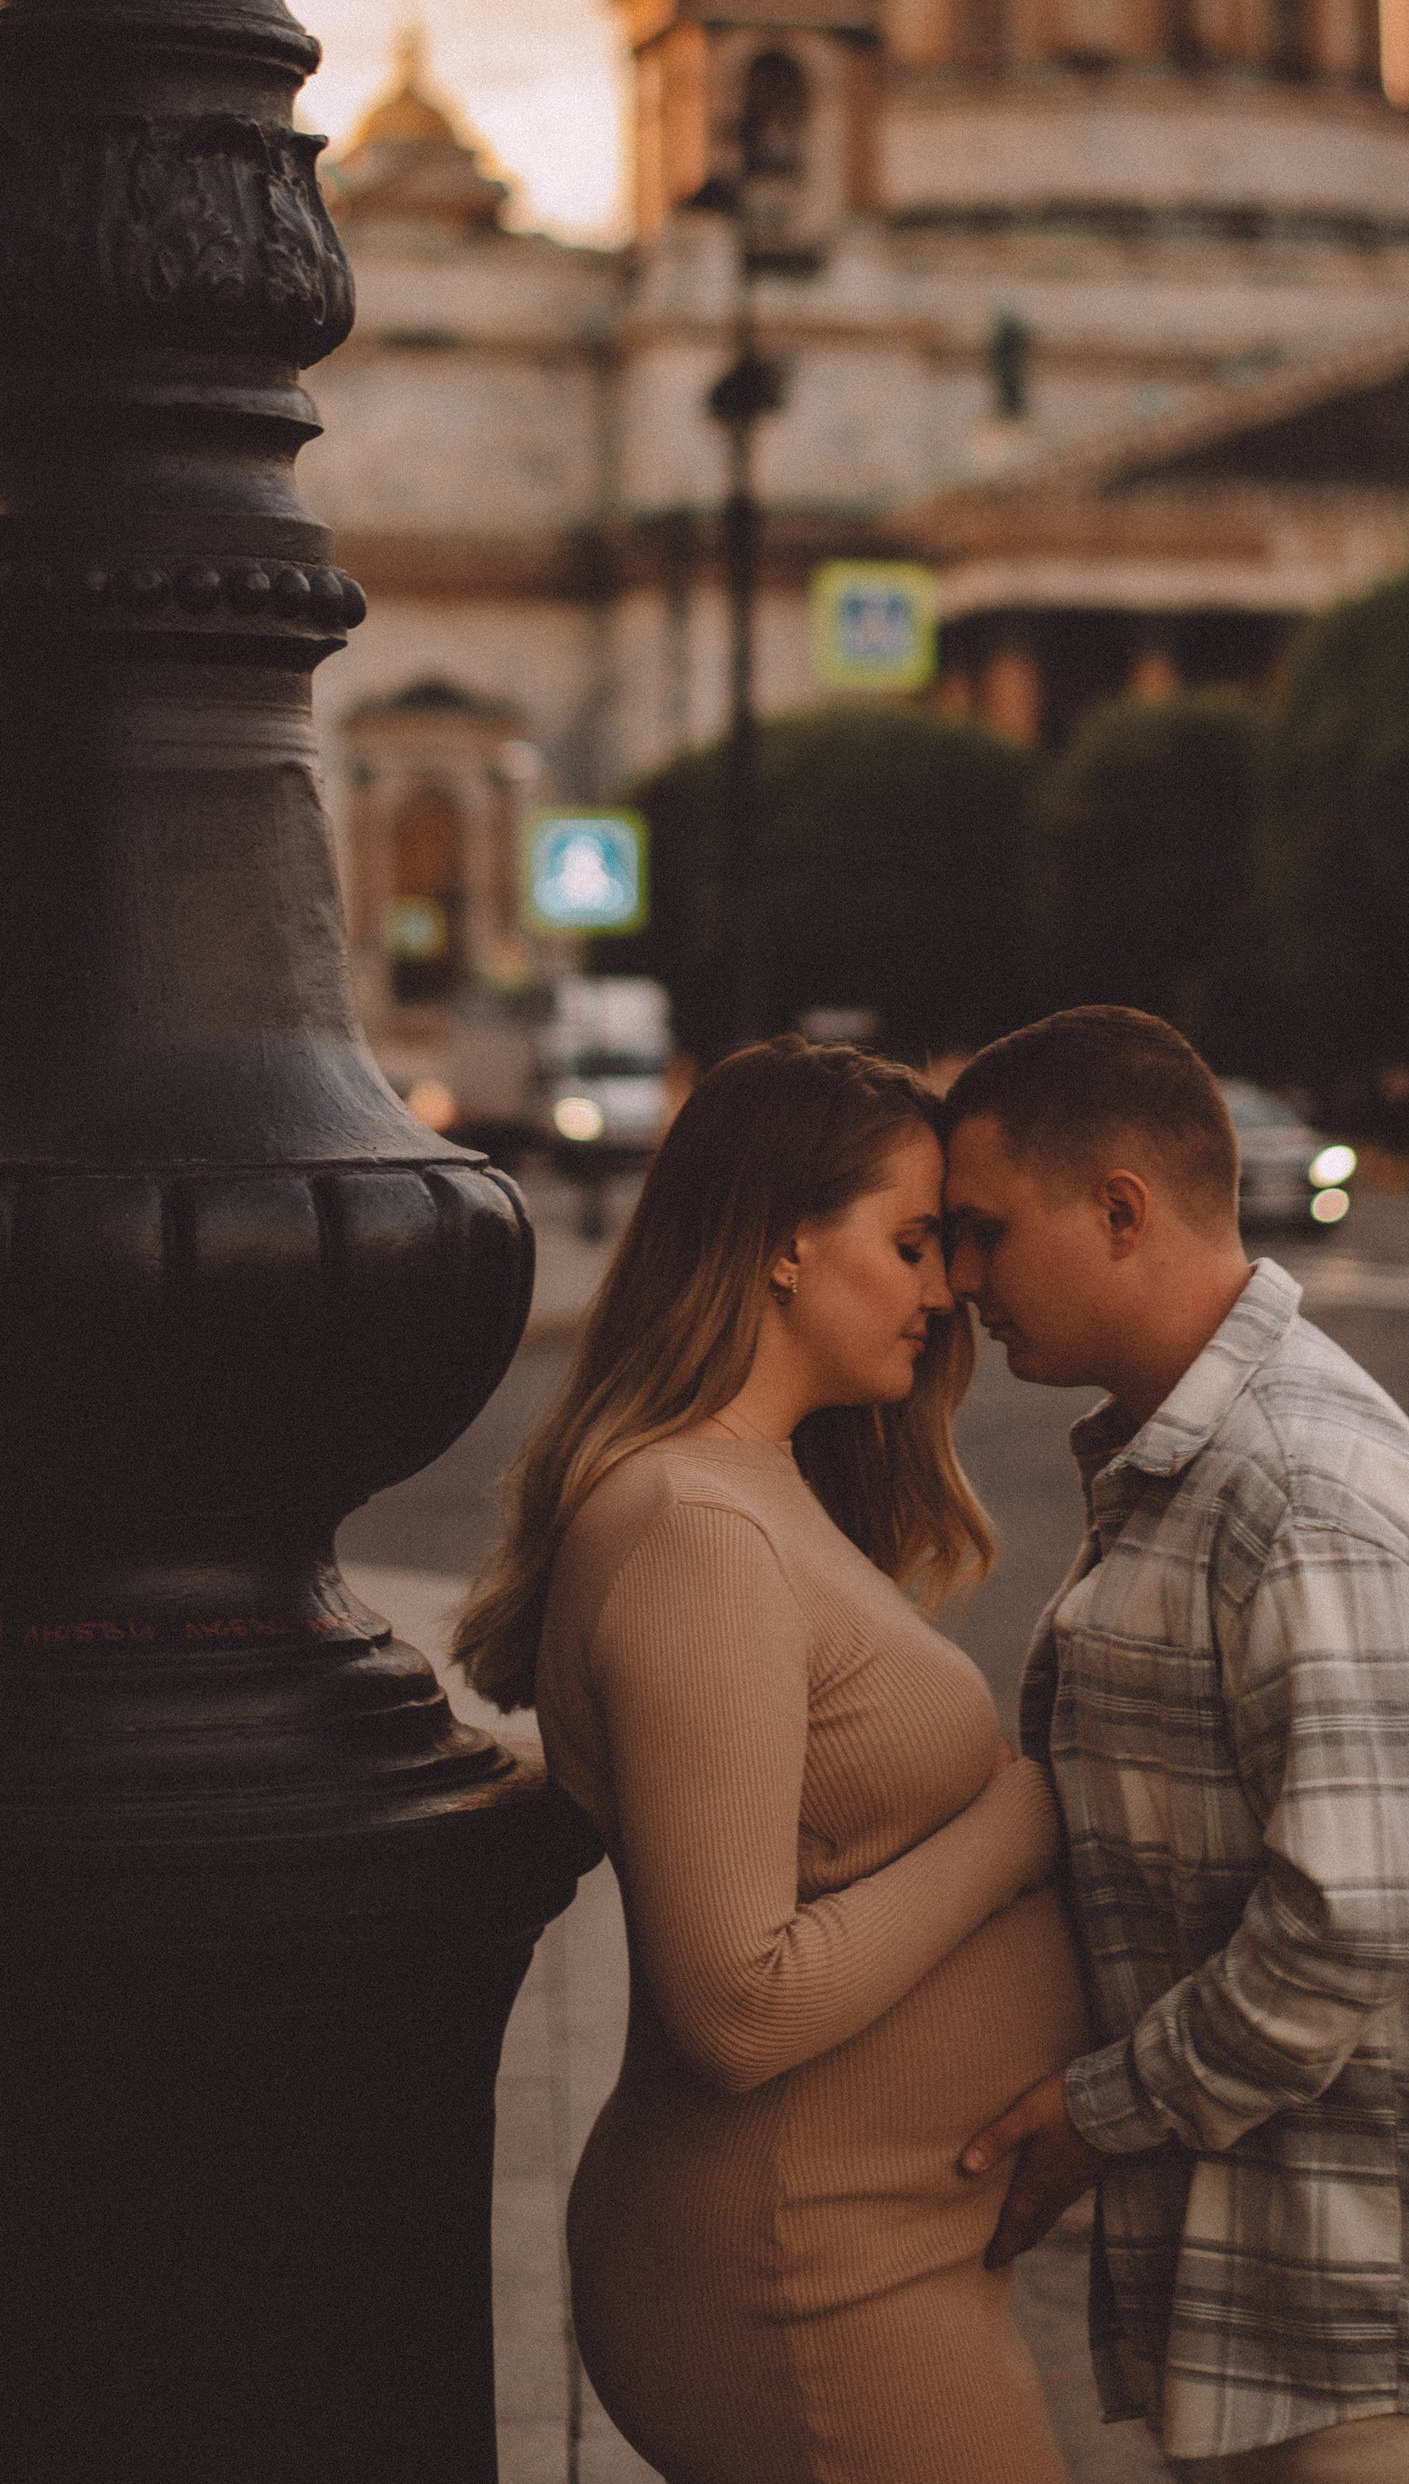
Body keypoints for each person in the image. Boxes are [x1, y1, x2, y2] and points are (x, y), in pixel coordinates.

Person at [940, 1008, 1409, 2484]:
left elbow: (1356, 1928)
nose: (960, 1280)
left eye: (983, 1231)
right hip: (1301, 2312)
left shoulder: (1296, 1488)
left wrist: (1096, 2115)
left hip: (1384, 2346)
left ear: (1120, 1209)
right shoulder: (1197, 1465)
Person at [454, 1038, 1084, 2484]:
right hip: (799, 2264)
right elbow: (736, 2005)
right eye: (913, 1242)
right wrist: (1018, 1819)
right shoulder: (696, 1527)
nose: (947, 1291)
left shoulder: (759, 1484)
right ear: (787, 1242)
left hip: (869, 2235)